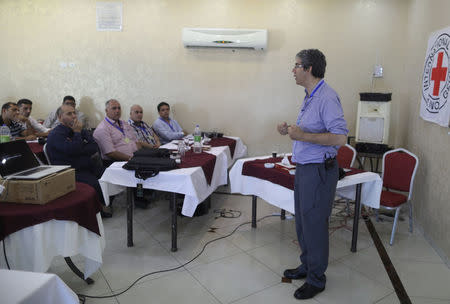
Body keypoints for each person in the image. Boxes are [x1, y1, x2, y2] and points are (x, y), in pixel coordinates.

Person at [277, 49, 348, 300]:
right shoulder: (310, 96)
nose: (293, 70)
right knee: (302, 223)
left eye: (296, 66)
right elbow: (312, 129)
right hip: (306, 168)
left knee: (315, 225)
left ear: (308, 69)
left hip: (319, 171)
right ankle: (307, 265)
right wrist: (291, 130)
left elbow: (340, 137)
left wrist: (302, 136)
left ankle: (317, 279)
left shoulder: (327, 97)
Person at [46, 104, 112, 217]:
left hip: (87, 166)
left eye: (74, 113)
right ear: (60, 117)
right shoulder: (56, 134)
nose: (74, 116)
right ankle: (100, 208)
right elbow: (73, 149)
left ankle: (106, 202)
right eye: (69, 114)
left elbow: (93, 146)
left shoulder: (79, 129)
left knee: (110, 174)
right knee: (95, 183)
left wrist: (79, 145)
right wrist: (77, 135)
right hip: (71, 171)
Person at [93, 99, 142, 165]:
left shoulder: (124, 123)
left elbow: (136, 142)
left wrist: (140, 155)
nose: (117, 110)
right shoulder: (102, 128)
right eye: (114, 108)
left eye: (119, 108)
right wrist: (131, 159)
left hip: (136, 158)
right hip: (118, 163)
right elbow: (111, 153)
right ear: (106, 111)